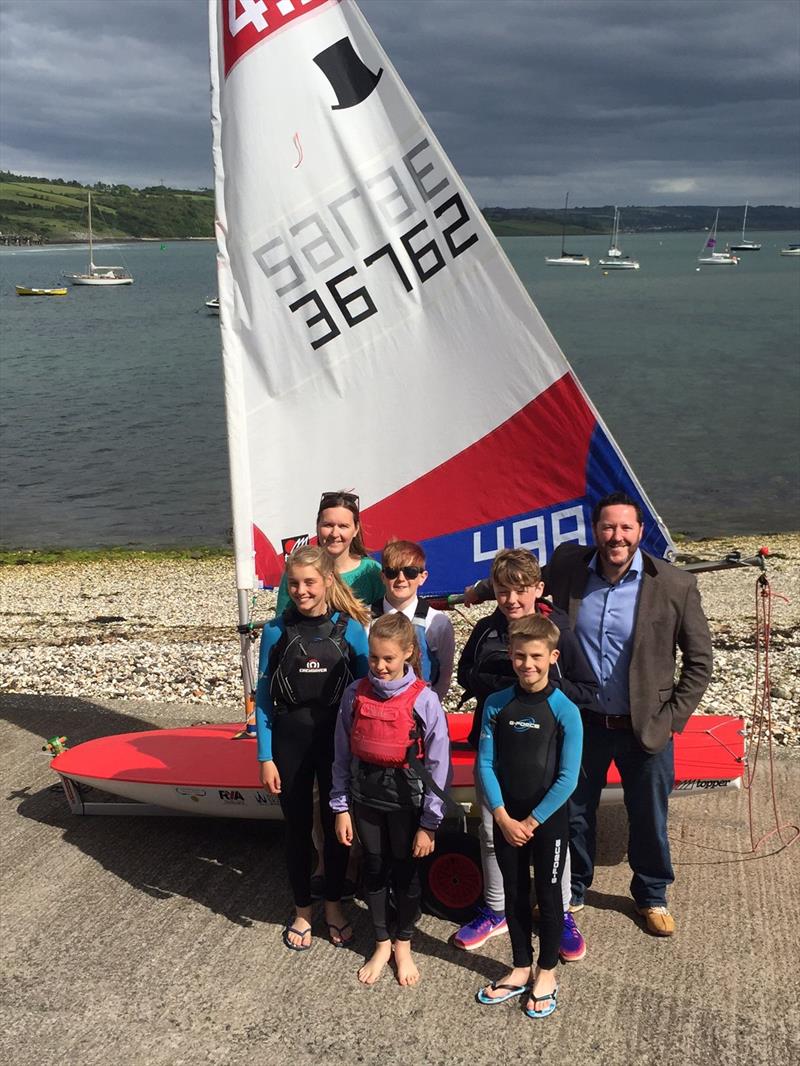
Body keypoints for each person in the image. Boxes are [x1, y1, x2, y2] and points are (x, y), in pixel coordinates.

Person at [546, 491, 713, 935]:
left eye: (625, 528)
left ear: (640, 531)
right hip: (583, 721)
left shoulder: (675, 585)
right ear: (595, 530)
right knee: (576, 810)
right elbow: (520, 580)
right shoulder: (568, 567)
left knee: (648, 815)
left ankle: (652, 894)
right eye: (608, 527)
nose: (616, 536)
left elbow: (700, 662)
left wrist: (673, 717)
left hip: (647, 725)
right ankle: (576, 886)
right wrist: (477, 591)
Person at [453, 548, 597, 962]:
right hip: (499, 747)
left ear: (537, 588)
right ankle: (496, 909)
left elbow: (587, 689)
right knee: (491, 832)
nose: (512, 601)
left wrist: (541, 683)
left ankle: (563, 911)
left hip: (546, 753)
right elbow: (465, 674)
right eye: (502, 592)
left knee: (555, 837)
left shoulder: (560, 632)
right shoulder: (485, 629)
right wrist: (499, 680)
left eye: (519, 591)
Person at [256, 545, 370, 950]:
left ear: (327, 582)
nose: (301, 590)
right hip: (290, 744)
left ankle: (335, 906)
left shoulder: (350, 629)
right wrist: (265, 756)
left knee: (339, 828)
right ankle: (303, 909)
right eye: (294, 583)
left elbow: (366, 695)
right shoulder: (275, 631)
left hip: (337, 748)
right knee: (298, 830)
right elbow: (265, 698)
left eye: (309, 582)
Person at [331, 613, 451, 986]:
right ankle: (381, 941)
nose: (380, 667)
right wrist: (340, 807)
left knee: (406, 874)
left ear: (408, 654)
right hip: (366, 798)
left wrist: (430, 823)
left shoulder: (426, 701)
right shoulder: (354, 693)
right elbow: (340, 754)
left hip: (408, 804)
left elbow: (439, 765)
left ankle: (403, 943)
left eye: (388, 659)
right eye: (373, 658)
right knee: (374, 869)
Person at [475, 614, 582, 1019]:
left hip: (547, 822)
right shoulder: (497, 704)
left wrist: (531, 822)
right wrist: (502, 816)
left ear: (552, 656)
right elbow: (486, 765)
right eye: (519, 656)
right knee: (515, 895)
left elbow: (568, 777)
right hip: (507, 819)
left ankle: (547, 972)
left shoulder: (564, 710)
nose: (527, 664)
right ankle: (521, 966)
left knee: (550, 896)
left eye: (536, 656)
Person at [370, 539, 456, 701]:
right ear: (383, 577)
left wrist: (428, 709)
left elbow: (444, 677)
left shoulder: (438, 623)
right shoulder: (364, 619)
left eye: (410, 572)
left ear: (422, 577)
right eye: (392, 572)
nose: (401, 578)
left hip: (419, 711)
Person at [274, 491, 383, 615]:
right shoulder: (297, 569)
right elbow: (281, 623)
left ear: (356, 529)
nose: (335, 534)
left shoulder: (371, 571)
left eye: (343, 526)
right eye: (328, 525)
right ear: (317, 526)